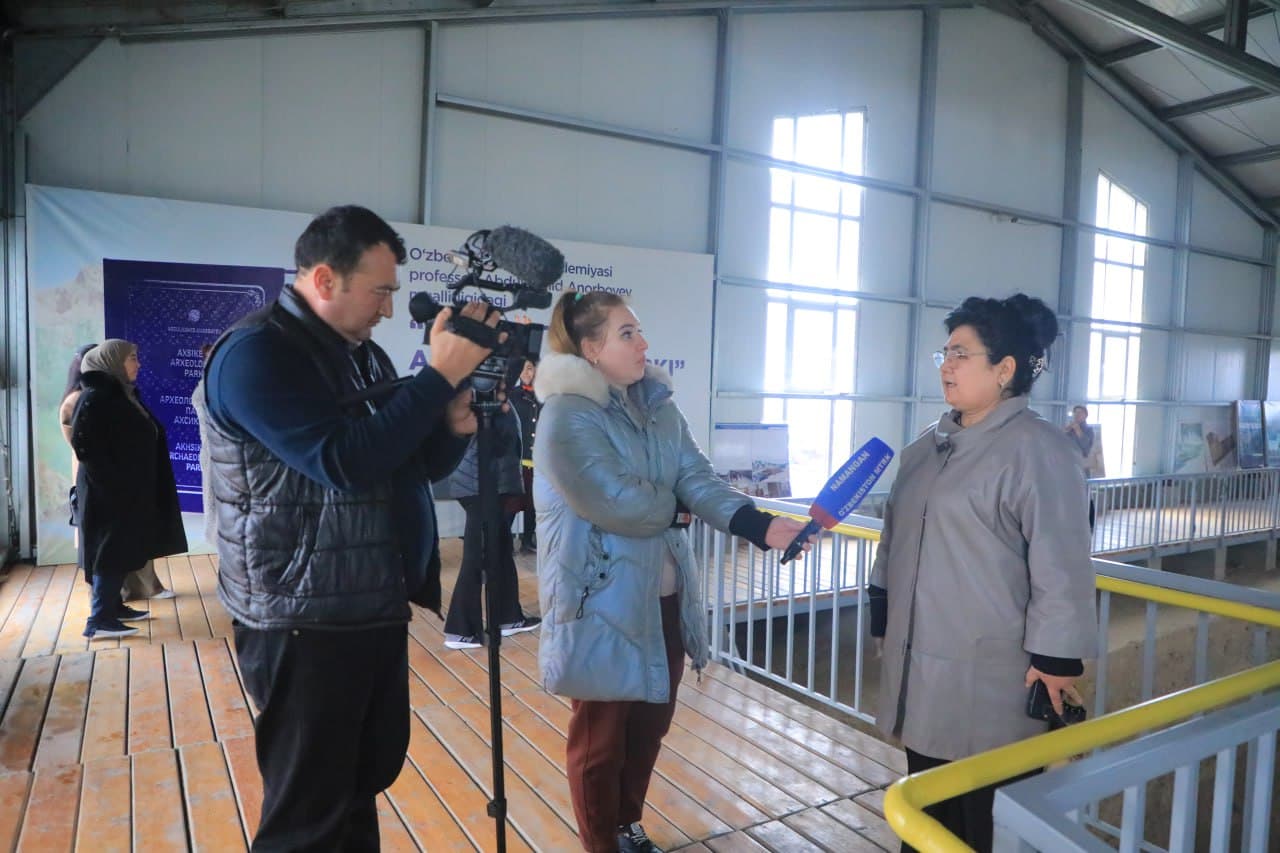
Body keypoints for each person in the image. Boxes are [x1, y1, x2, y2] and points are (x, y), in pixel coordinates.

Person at [203, 204, 499, 852]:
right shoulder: (257, 355)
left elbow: (404, 464)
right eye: (382, 291)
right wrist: (436, 377)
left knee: (359, 784)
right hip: (302, 617)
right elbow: (342, 461)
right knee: (307, 817)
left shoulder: (357, 356)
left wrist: (448, 424)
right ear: (326, 279)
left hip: (365, 601)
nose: (390, 309)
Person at [533, 290, 813, 853]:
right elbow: (615, 501)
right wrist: (677, 507)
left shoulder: (658, 406)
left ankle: (625, 824)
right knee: (600, 742)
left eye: (639, 330)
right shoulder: (567, 414)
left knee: (649, 727)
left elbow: (697, 476)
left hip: (662, 595)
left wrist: (758, 525)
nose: (644, 343)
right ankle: (599, 843)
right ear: (590, 349)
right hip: (600, 602)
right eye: (627, 333)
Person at [868, 294, 1097, 852]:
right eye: (944, 353)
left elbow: (1061, 563)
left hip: (992, 676)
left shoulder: (1039, 450)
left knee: (985, 822)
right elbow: (893, 540)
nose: (946, 365)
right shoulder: (925, 448)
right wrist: (883, 616)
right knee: (924, 809)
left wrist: (1055, 660)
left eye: (961, 354)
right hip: (920, 664)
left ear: (1005, 370)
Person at [69, 340, 188, 640]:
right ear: (112, 362)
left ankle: (114, 607)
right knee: (109, 551)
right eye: (132, 358)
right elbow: (87, 448)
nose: (138, 364)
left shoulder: (120, 394)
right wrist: (114, 487)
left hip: (126, 490)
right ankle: (99, 620)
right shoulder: (96, 398)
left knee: (122, 549)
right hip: (109, 493)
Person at [434, 400, 540, 650]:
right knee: (477, 557)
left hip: (488, 484)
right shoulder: (480, 392)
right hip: (481, 485)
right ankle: (460, 629)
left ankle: (508, 617)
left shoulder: (490, 390)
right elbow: (495, 437)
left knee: (500, 551)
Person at [510, 357, 540, 553]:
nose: (526, 373)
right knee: (511, 505)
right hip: (516, 460)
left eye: (530, 368)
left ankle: (528, 540)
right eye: (523, 369)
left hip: (538, 460)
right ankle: (505, 541)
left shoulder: (544, 396)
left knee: (533, 505)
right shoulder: (512, 395)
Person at [1065, 405, 1105, 479]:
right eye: (1075, 412)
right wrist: (1066, 430)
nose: (1077, 415)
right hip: (1069, 464)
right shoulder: (1070, 430)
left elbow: (1086, 447)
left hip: (1082, 466)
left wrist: (1077, 429)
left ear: (1085, 415)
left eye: (1080, 412)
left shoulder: (1089, 430)